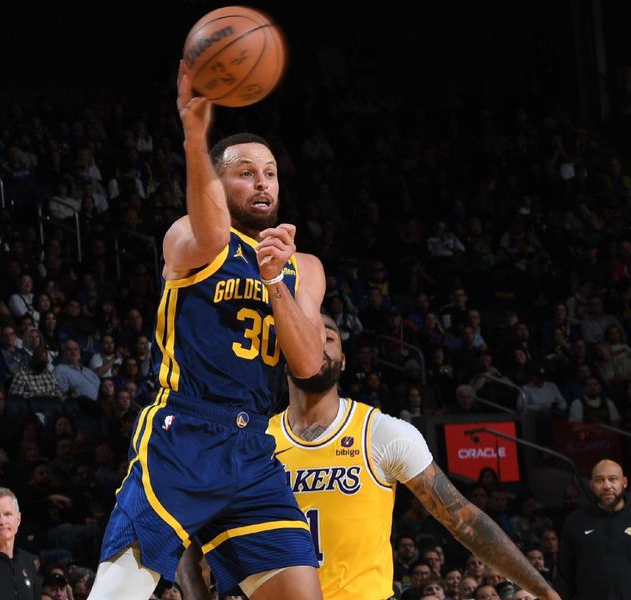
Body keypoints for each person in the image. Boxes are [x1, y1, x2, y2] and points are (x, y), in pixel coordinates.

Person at [87, 62, 326, 600]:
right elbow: (213, 230)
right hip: (184, 434)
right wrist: (196, 140)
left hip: (254, 447)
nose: (261, 182)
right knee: (117, 594)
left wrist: (273, 283)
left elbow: (310, 366)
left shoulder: (300, 266)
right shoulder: (189, 238)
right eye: (245, 172)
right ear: (218, 184)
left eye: (269, 172)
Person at [179, 316, 561, 600]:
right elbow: (188, 533)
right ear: (285, 354)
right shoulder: (253, 442)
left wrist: (544, 592)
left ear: (344, 360)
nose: (316, 343)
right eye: (304, 336)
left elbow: (463, 519)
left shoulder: (383, 433)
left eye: (327, 336)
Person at [557, 458, 631, 599]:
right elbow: (564, 574)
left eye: (613, 479)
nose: (607, 485)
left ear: (624, 482)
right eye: (599, 480)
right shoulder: (575, 521)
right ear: (591, 485)